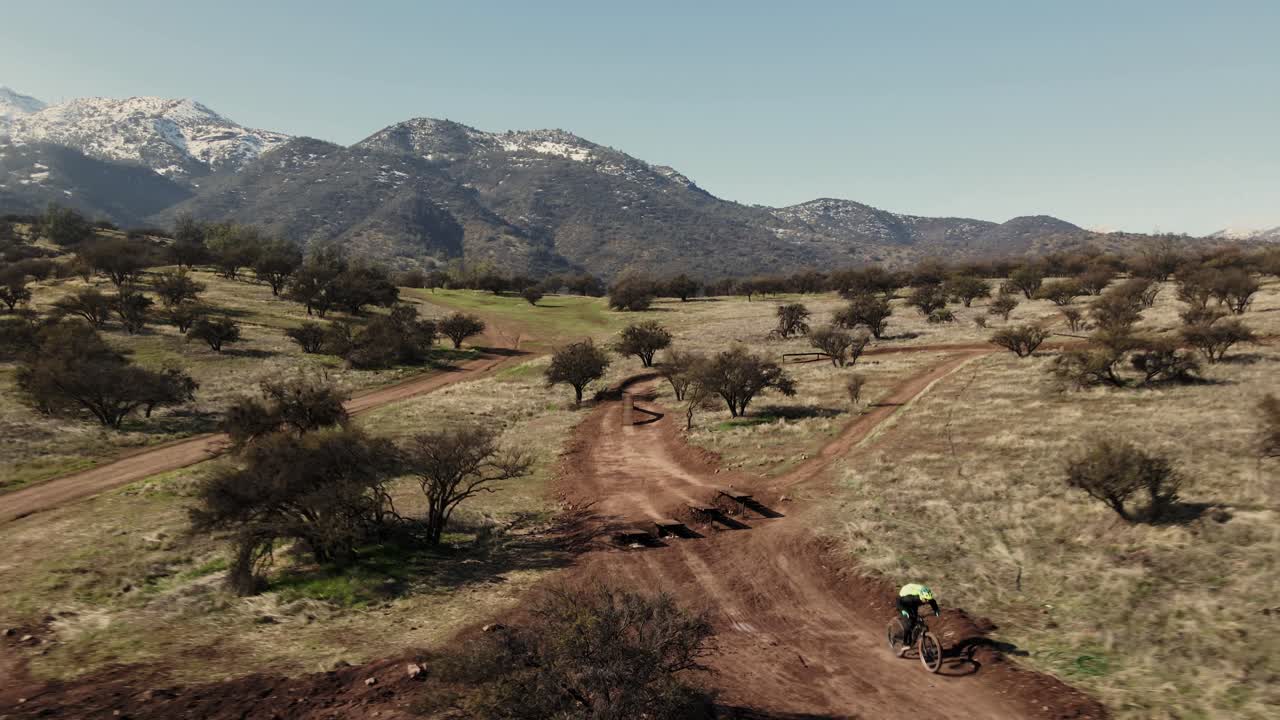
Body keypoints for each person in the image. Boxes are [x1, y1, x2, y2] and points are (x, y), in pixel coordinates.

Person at [896, 583, 939, 654]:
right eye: (926, 600)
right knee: (909, 624)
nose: (927, 601)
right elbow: (898, 602)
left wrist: (936, 610)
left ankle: (913, 636)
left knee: (916, 619)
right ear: (921, 597)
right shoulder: (912, 598)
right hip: (903, 602)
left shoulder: (926, 598)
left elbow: (932, 601)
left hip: (913, 604)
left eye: (928, 599)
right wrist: (903, 610)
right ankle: (905, 643)